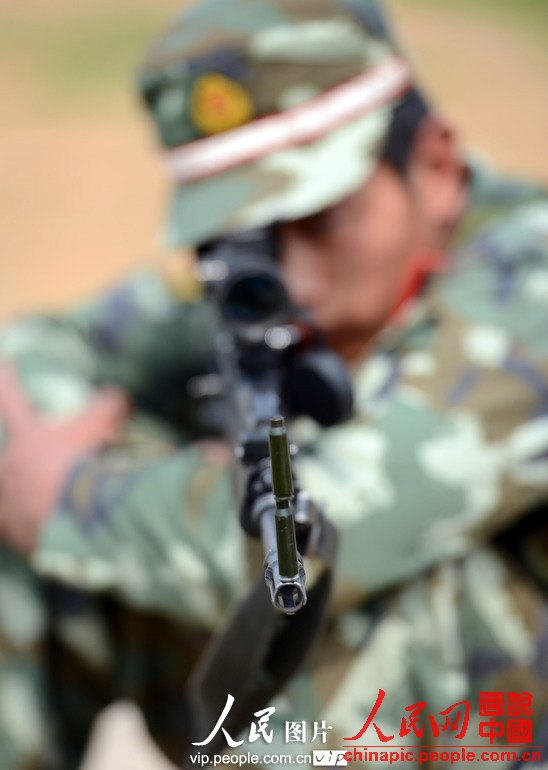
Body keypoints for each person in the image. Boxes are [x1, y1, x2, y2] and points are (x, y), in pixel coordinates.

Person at [1, 0, 548, 767]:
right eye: (240, 238)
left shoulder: (531, 284)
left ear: (435, 165)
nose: (290, 280)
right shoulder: (252, 286)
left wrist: (64, 498)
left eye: (322, 220)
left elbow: (326, 537)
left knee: (340, 594)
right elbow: (32, 348)